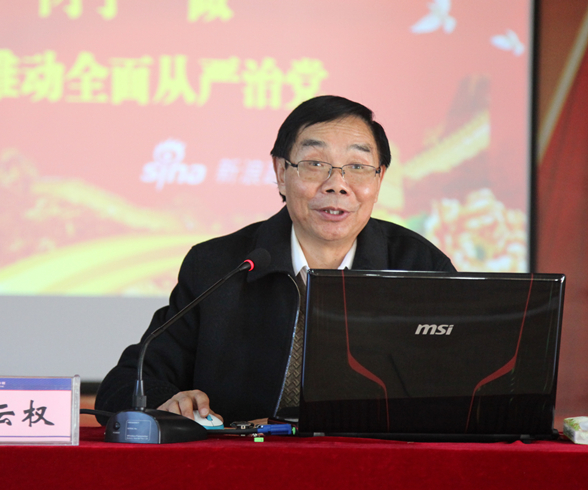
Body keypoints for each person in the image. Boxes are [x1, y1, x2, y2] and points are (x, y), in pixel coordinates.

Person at [95, 95, 455, 425]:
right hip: (243, 464)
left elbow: (462, 388)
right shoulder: (219, 266)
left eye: (358, 166)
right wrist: (168, 401)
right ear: (281, 173)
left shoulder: (420, 267)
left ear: (379, 179)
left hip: (378, 465)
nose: (337, 184)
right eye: (315, 164)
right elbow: (126, 384)